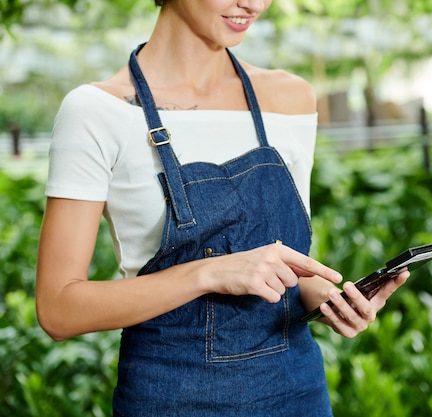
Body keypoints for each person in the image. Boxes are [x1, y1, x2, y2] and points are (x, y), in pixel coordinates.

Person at [35, 0, 410, 415]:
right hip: (171, 398)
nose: (254, 4)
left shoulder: (290, 98)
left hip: (296, 394)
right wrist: (210, 272)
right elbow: (59, 309)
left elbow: (287, 268)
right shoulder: (96, 111)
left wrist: (327, 299)